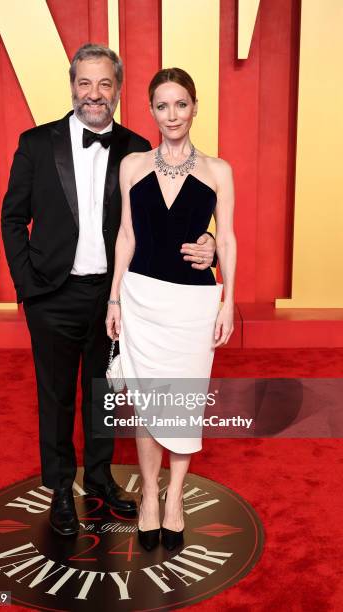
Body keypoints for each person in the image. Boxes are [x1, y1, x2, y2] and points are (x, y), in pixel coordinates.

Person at [1, 44, 217, 537]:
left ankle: (99, 481)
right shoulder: (36, 144)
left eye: (105, 84)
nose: (94, 94)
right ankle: (60, 489)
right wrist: (28, 285)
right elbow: (13, 218)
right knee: (55, 398)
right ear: (72, 85)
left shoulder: (139, 147)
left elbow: (170, 221)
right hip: (51, 296)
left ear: (118, 91)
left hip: (115, 299)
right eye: (85, 83)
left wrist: (210, 244)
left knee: (104, 396)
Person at [106, 67, 236, 551]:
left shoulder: (218, 170)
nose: (172, 114)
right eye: (162, 105)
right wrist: (115, 297)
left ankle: (176, 497)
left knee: (181, 404)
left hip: (193, 304)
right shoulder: (133, 166)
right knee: (145, 403)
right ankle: (149, 501)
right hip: (141, 298)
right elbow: (126, 236)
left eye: (181, 104)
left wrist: (228, 299)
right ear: (152, 111)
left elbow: (225, 238)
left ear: (195, 107)